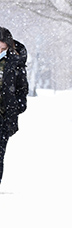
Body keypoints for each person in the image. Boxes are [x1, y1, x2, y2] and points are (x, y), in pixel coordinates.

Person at [0, 27, 28, 186]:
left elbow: (22, 88)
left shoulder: (14, 63)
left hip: (3, 115)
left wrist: (17, 107)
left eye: (3, 48)